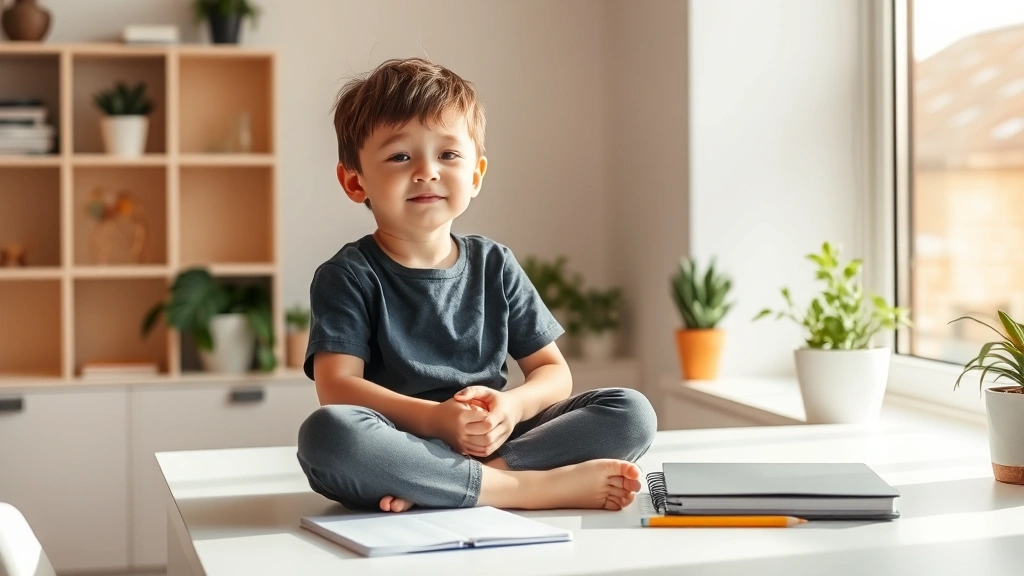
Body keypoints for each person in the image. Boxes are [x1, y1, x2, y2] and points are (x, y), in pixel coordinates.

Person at [296, 58, 657, 513]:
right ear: (354, 181)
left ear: (476, 174)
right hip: (403, 446)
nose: (427, 171)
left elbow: (553, 373)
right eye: (400, 156)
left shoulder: (495, 263)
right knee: (327, 436)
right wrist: (437, 420)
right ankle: (522, 490)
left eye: (448, 155)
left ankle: (468, 483)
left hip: (496, 440)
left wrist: (511, 409)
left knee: (631, 412)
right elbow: (337, 388)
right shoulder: (348, 275)